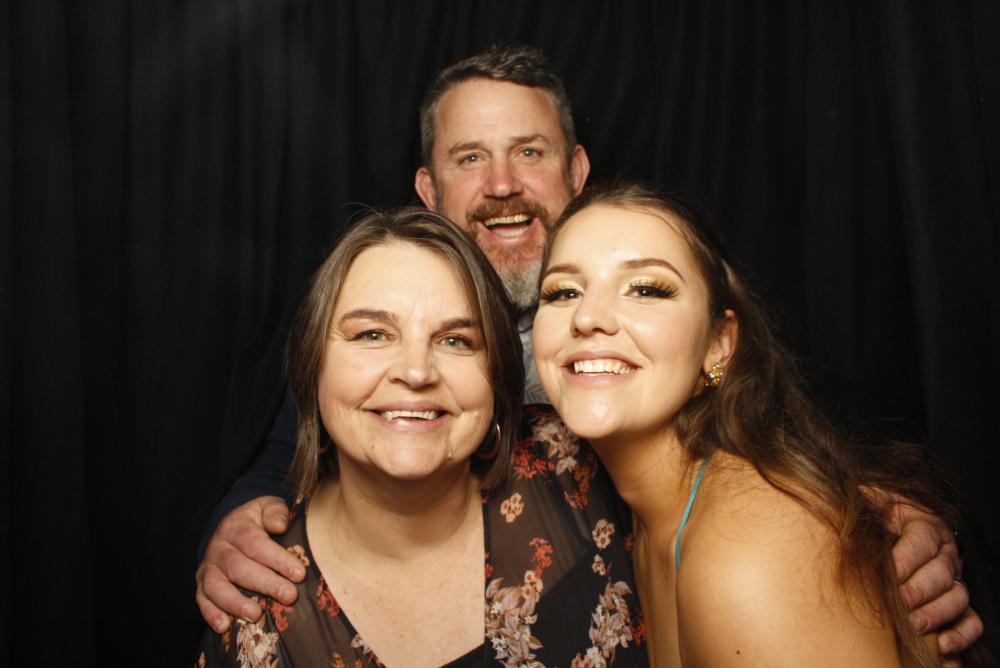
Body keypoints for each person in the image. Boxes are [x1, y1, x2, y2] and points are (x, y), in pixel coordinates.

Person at [195, 44, 981, 656]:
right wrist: (232, 527)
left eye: (530, 152)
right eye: (470, 158)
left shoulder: (736, 524)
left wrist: (863, 512)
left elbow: (751, 437)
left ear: (576, 172)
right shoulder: (363, 350)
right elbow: (284, 464)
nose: (502, 184)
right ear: (429, 192)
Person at [532, 181, 977, 666]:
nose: (588, 317)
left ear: (719, 344)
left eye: (645, 289)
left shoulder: (748, 553)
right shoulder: (643, 510)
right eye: (563, 291)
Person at [196, 208, 646, 666]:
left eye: (456, 341)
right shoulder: (257, 611)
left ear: (498, 376)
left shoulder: (578, 469)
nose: (416, 372)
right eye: (373, 334)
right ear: (312, 368)